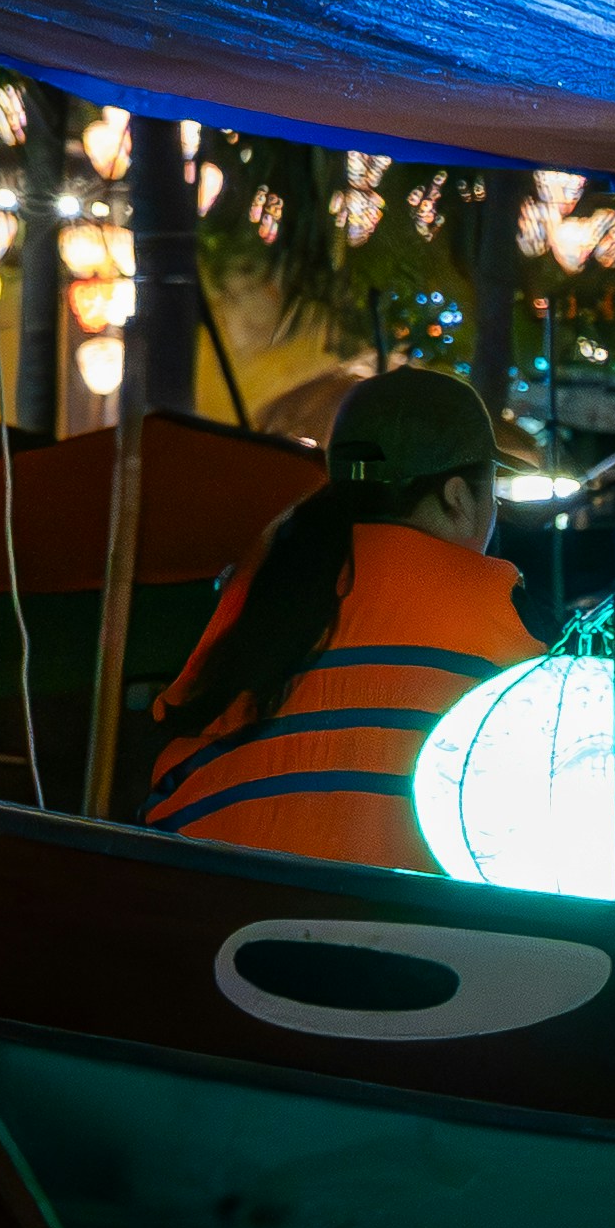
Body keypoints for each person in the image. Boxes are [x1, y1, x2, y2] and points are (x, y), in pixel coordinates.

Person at [139, 365, 540, 866]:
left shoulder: (268, 575)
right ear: (458, 495)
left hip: (204, 877)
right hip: (408, 907)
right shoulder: (506, 616)